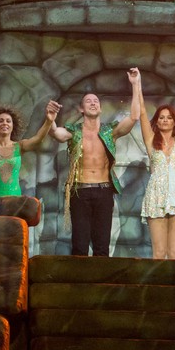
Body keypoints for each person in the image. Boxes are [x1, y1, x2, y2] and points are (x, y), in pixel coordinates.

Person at [50, 70, 142, 256]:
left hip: (103, 190)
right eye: (88, 101)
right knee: (80, 244)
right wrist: (50, 120)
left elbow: (133, 117)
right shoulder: (74, 131)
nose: (93, 103)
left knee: (102, 245)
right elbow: (56, 134)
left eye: (96, 101)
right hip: (80, 190)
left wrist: (135, 84)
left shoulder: (110, 131)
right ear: (81, 109)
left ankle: (101, 275)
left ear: (100, 108)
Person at [139, 65, 175, 259]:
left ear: (174, 121)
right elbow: (141, 113)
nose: (165, 120)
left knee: (174, 253)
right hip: (156, 197)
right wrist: (136, 84)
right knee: (159, 253)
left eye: (169, 117)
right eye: (161, 117)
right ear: (157, 121)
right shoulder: (151, 141)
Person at [0, 101, 62, 197]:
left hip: (15, 201)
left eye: (8, 121)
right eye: (1, 121)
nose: (4, 123)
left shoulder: (19, 146)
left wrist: (49, 121)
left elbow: (38, 138)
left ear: (13, 126)